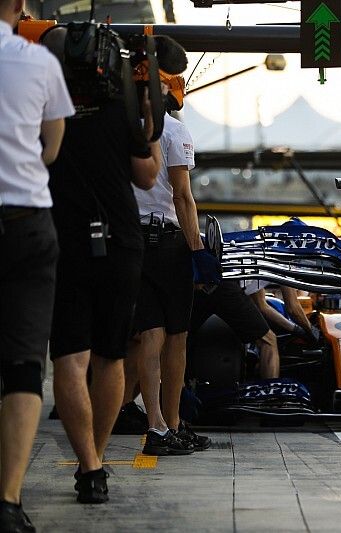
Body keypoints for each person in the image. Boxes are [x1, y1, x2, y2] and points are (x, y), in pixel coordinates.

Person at [42, 27, 177, 503]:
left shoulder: (46, 106)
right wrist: (149, 125)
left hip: (62, 238)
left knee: (70, 358)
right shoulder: (120, 111)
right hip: (119, 240)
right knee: (110, 356)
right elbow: (146, 177)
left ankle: (90, 463)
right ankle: (94, 465)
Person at [0, 2, 73, 529]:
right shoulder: (39, 61)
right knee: (25, 362)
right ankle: (7, 502)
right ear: (19, 7)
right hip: (25, 218)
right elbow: (51, 148)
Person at [127, 73, 216, 456]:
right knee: (176, 337)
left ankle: (156, 427)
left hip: (132, 241)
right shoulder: (175, 132)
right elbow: (182, 197)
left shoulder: (123, 129)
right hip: (168, 243)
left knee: (149, 335)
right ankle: (174, 423)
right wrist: (198, 251)